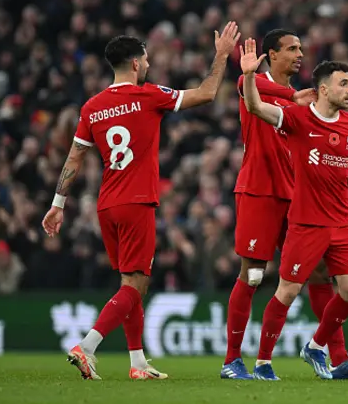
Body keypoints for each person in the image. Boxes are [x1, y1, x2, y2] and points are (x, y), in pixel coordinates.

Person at [41, 22, 241, 380]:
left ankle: (137, 364)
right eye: (145, 59)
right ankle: (86, 346)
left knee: (130, 284)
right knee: (136, 285)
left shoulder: (92, 107)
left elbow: (73, 158)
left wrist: (58, 204)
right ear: (135, 64)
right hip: (136, 203)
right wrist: (222, 54)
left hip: (107, 205)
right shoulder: (149, 95)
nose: (148, 64)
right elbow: (207, 93)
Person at [223, 29, 348, 380]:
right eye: (291, 49)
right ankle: (232, 360)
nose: (299, 54)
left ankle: (338, 357)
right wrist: (291, 95)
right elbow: (247, 91)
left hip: (298, 196)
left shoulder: (309, 102)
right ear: (271, 54)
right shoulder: (256, 83)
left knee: (320, 274)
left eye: (300, 49)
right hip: (261, 191)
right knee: (252, 275)